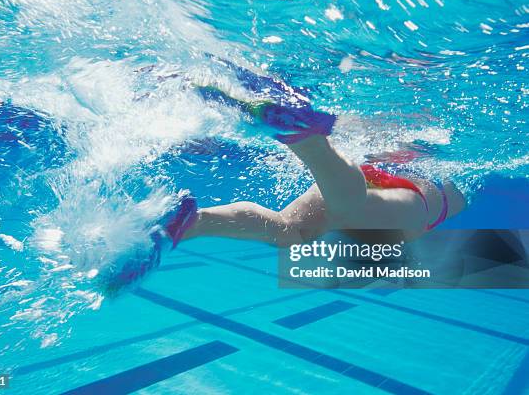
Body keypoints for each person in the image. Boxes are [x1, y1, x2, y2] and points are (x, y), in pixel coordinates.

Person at [103, 59, 466, 292]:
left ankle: (189, 224)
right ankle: (303, 136)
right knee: (352, 209)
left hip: (359, 171)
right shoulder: (445, 196)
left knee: (291, 232)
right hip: (411, 196)